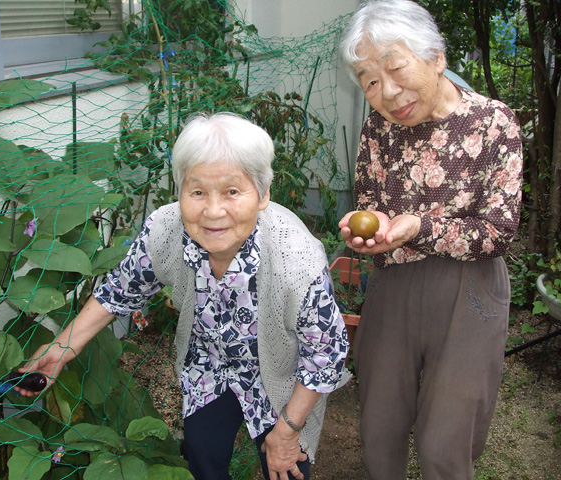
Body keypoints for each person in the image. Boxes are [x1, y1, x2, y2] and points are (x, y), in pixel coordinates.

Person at [17, 112, 351, 480]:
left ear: (263, 193)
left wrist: (287, 430)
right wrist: (62, 350)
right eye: (197, 192)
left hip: (282, 373)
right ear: (179, 192)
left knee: (287, 467)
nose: (212, 211)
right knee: (202, 456)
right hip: (210, 366)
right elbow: (122, 289)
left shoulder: (296, 260)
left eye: (232, 191)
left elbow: (326, 355)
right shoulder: (166, 229)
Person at [337, 1, 523, 479]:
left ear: (437, 57)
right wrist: (375, 224)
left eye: (396, 69)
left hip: (470, 289)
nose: (388, 92)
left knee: (446, 438)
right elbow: (371, 199)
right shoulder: (379, 125)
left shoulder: (494, 122)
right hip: (394, 281)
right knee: (380, 423)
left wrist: (421, 228)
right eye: (370, 81)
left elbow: (498, 232)